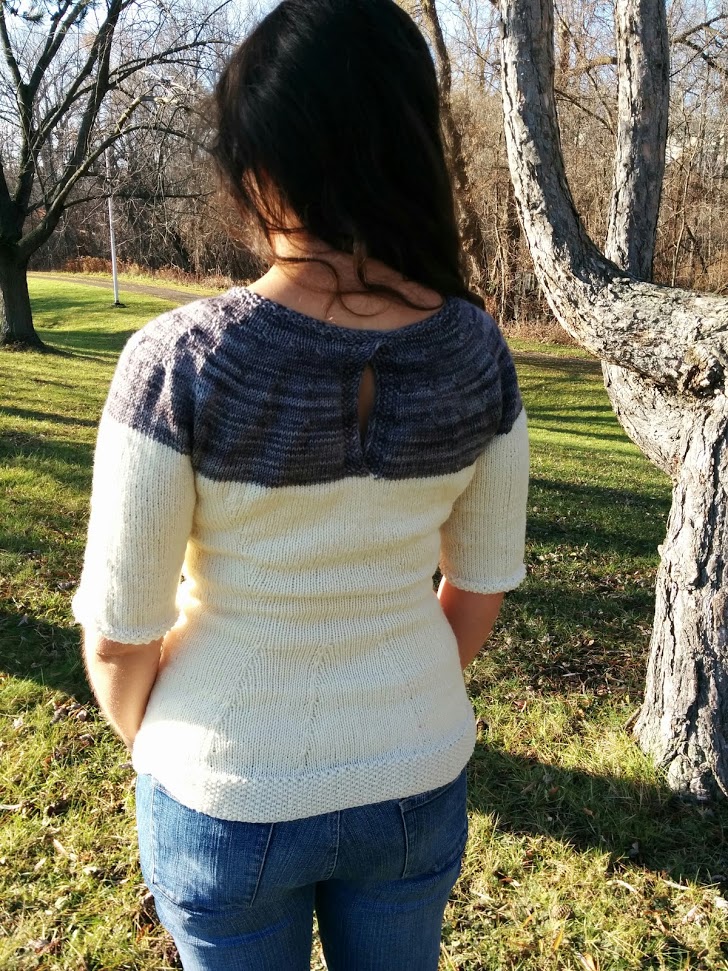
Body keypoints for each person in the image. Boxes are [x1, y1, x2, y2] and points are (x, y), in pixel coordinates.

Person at [73, 1, 529, 968]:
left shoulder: (180, 362)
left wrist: (184, 749)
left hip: (221, 786)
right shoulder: (478, 352)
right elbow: (479, 590)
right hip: (415, 772)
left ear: (260, 165)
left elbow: (118, 637)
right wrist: (391, 705)